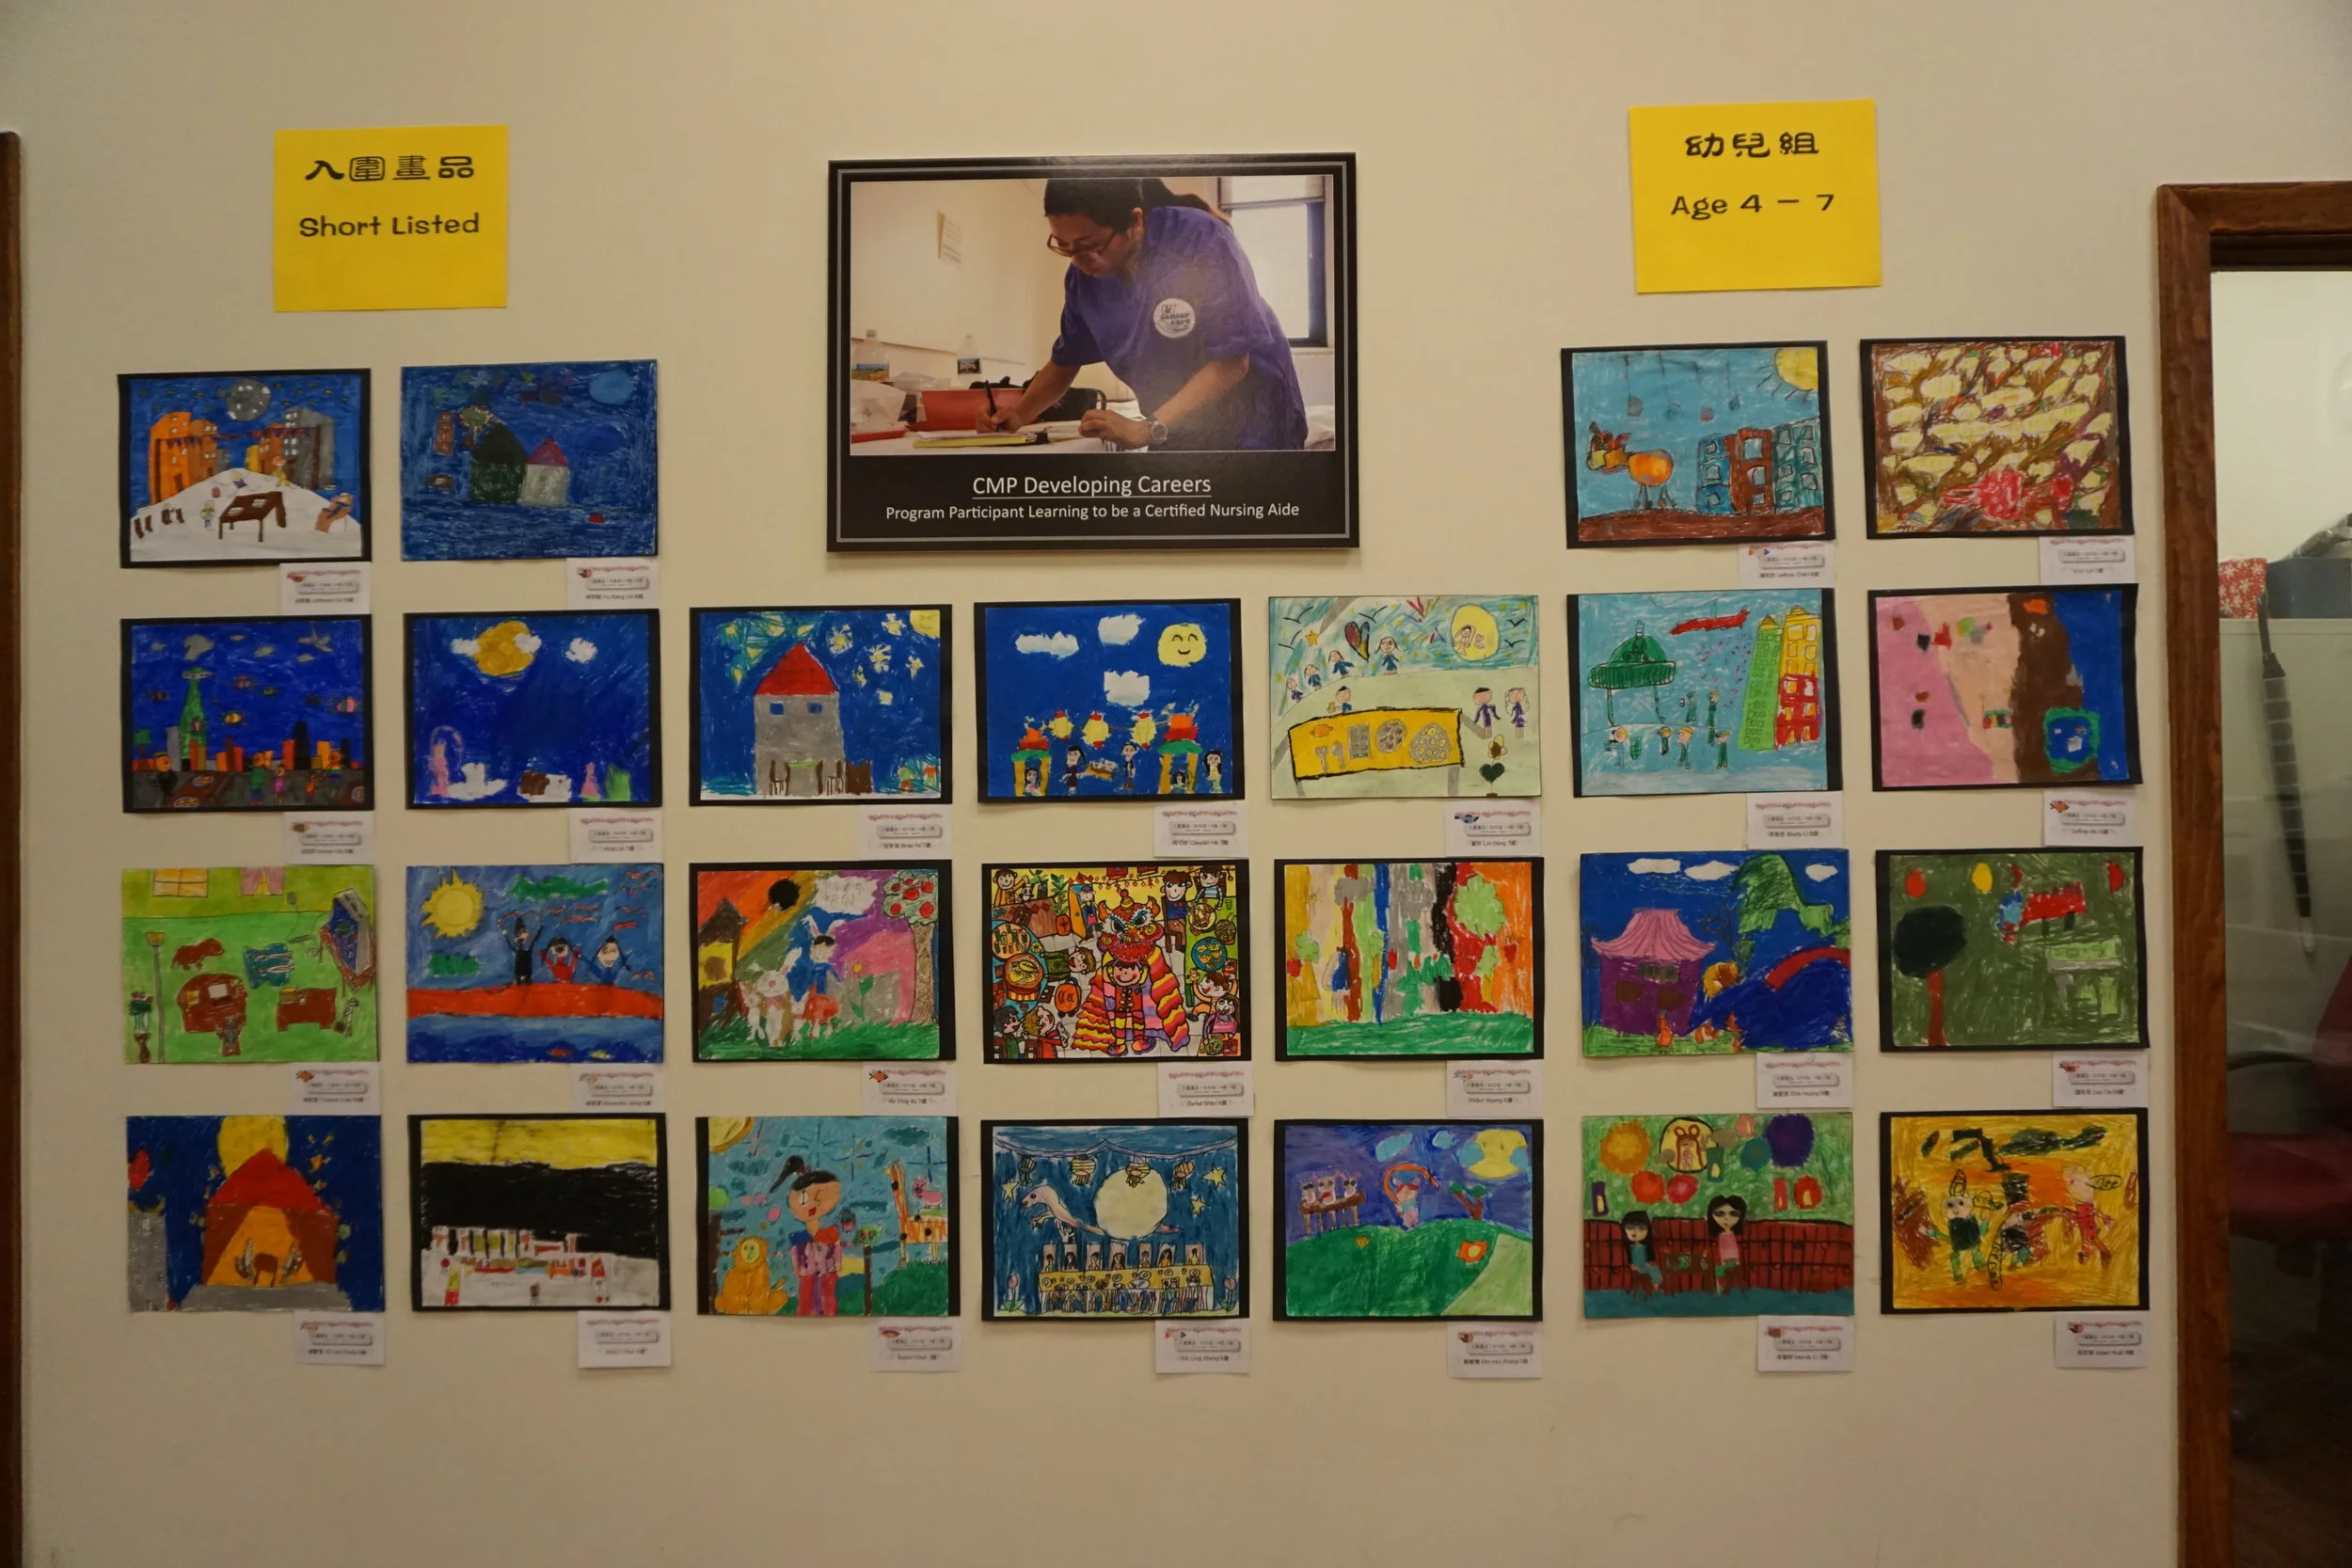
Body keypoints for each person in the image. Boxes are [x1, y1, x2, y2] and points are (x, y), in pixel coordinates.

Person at [975, 178, 1309, 452]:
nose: (1077, 260)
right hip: (1174, 423)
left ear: (1134, 223)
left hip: (1253, 420)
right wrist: (1018, 415)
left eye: (1088, 245)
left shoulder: (1200, 239)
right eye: (1064, 245)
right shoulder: (1083, 279)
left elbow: (1232, 363)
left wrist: (1148, 428)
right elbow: (1064, 362)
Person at [779, 1155, 846, 1316]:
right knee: (806, 1295)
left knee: (828, 1295)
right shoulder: (798, 1237)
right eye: (804, 1199)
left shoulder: (830, 1233)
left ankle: (829, 1313)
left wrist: (837, 1266)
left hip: (828, 1270)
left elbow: (836, 1249)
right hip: (806, 1272)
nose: (813, 1206)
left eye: (820, 1198)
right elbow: (795, 1253)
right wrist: (797, 1268)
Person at [1708, 1195, 1747, 1294]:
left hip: (1736, 1266)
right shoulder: (1715, 1238)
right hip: (1721, 1266)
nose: (1727, 1218)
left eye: (1734, 1214)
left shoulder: (1740, 1237)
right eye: (1719, 1213)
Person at [1621, 1210, 1664, 1293]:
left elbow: (1646, 1259)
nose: (1635, 1232)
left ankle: (1656, 1284)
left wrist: (1647, 1264)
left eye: (1641, 1229)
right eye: (1630, 1228)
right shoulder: (1629, 1248)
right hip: (1635, 1266)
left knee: (1653, 1268)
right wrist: (1632, 1265)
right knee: (1652, 1269)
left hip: (1643, 1266)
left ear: (1647, 1231)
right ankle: (1656, 1284)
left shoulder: (1644, 1247)